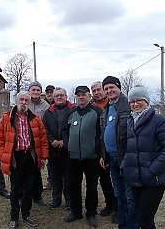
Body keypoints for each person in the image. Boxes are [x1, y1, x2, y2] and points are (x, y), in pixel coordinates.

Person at [123, 85, 165, 229]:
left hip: (154, 180)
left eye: (139, 100)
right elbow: (127, 149)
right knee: (140, 217)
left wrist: (152, 170)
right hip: (135, 178)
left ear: (147, 101)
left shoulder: (159, 120)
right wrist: (125, 166)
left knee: (145, 219)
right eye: (132, 101)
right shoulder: (130, 121)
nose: (135, 104)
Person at [0, 91, 49, 229]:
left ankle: (26, 214)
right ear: (16, 100)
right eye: (21, 99)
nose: (24, 102)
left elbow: (43, 139)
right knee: (15, 189)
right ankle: (14, 217)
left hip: (30, 156)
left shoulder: (35, 119)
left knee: (28, 188)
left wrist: (43, 157)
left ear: (29, 102)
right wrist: (3, 155)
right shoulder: (7, 118)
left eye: (26, 100)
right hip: (15, 157)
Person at [99, 76, 138, 229]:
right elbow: (104, 132)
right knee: (119, 194)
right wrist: (103, 154)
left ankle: (132, 226)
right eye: (106, 88)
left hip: (126, 159)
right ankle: (122, 224)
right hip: (112, 159)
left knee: (130, 197)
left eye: (111, 87)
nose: (109, 91)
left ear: (119, 88)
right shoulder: (107, 107)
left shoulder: (127, 105)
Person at [63, 85, 102, 228]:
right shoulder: (71, 113)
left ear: (89, 96)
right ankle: (76, 211)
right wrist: (68, 144)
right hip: (73, 158)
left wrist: (97, 149)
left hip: (92, 157)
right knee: (73, 186)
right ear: (76, 97)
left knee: (91, 187)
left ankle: (91, 213)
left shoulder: (97, 112)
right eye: (78, 95)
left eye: (84, 94)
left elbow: (100, 133)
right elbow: (65, 130)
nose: (81, 97)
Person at [42, 87, 75, 210]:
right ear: (53, 98)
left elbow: (75, 130)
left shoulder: (73, 111)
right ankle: (56, 200)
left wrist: (64, 142)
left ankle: (69, 201)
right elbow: (45, 129)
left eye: (61, 95)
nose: (59, 97)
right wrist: (52, 141)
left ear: (66, 97)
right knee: (55, 177)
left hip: (68, 150)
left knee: (68, 177)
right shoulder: (48, 112)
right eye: (57, 96)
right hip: (53, 150)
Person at [91, 81, 118, 222]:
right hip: (100, 149)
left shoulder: (113, 104)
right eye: (94, 90)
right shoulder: (91, 107)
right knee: (104, 178)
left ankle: (119, 207)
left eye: (98, 89)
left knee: (118, 179)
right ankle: (110, 204)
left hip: (114, 147)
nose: (97, 92)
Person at [27, 81, 50, 206]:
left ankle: (37, 194)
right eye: (33, 90)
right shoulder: (24, 102)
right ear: (29, 91)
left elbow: (47, 124)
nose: (35, 92)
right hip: (25, 142)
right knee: (25, 169)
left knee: (37, 169)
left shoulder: (45, 105)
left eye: (37, 90)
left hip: (38, 141)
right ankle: (26, 193)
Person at [43, 84, 55, 191]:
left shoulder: (58, 103)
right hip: (46, 136)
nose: (50, 94)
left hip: (57, 137)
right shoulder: (44, 104)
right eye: (48, 92)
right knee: (49, 161)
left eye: (51, 92)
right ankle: (51, 180)